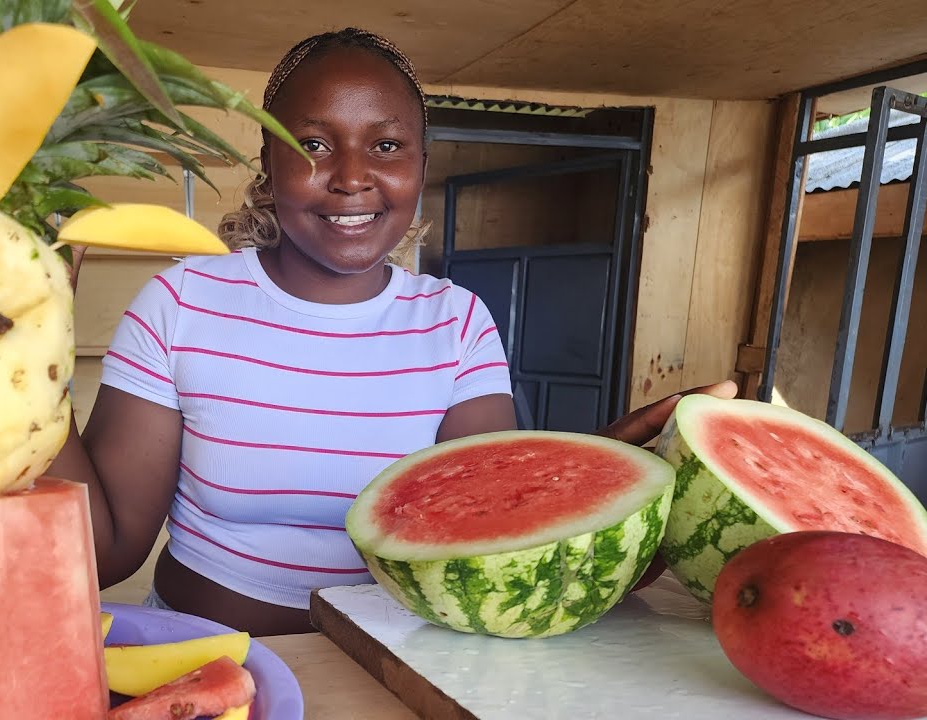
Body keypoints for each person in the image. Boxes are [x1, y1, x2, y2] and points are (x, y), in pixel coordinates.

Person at [48, 27, 737, 637]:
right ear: (268, 157)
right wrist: (30, 357)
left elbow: (484, 523)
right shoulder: (180, 304)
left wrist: (601, 471)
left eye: (385, 144)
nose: (352, 178)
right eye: (312, 143)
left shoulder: (456, 321)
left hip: (398, 668)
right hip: (210, 666)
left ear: (421, 161)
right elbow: (106, 555)